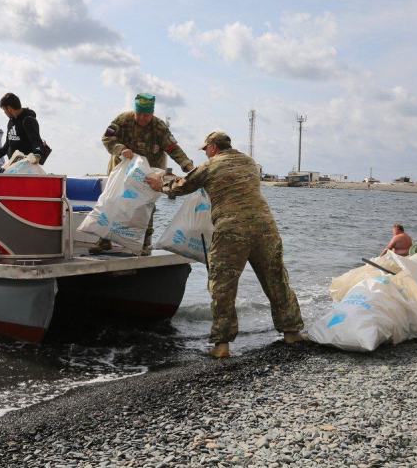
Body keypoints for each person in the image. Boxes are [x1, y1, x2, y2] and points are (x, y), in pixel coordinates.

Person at [145, 131, 306, 357]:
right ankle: (291, 332)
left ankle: (222, 345)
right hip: (265, 228)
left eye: (206, 149)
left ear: (213, 147)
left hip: (232, 231)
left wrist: (159, 185)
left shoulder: (210, 166)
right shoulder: (250, 162)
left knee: (223, 285)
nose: (206, 153)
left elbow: (181, 187)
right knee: (276, 279)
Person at [92, 93, 194, 255]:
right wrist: (121, 149)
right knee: (113, 202)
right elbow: (107, 138)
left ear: (152, 114)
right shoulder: (122, 121)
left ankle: (145, 243)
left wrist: (186, 164)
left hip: (149, 172)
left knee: (146, 205)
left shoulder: (159, 127)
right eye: (138, 114)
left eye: (146, 115)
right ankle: (104, 240)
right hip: (122, 169)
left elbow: (173, 149)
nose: (141, 118)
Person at [0, 93, 45, 167]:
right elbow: (8, 143)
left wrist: (38, 154)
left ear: (9, 108)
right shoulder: (11, 121)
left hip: (26, 166)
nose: (4, 112)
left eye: (4, 109)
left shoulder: (28, 120)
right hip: (14, 166)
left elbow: (36, 140)